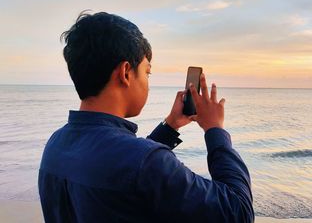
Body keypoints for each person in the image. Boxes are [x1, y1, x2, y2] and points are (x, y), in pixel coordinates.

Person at [38, 12, 254, 223]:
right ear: (125, 73)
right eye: (147, 72)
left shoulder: (56, 144)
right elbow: (238, 212)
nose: (147, 82)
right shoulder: (146, 161)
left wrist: (170, 126)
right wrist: (215, 130)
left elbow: (122, 166)